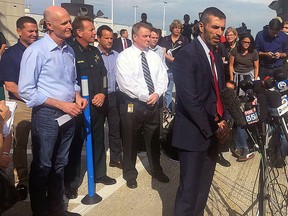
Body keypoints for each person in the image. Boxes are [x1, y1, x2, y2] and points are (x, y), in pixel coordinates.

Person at [18, 6, 87, 216]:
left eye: (69, 21)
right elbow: (27, 91)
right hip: (48, 116)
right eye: (64, 23)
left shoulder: (69, 50)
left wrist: (77, 96)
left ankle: (57, 210)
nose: (69, 26)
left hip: (69, 114)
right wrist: (61, 104)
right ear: (49, 25)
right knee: (42, 166)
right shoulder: (36, 51)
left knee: (60, 164)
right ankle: (40, 212)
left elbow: (71, 82)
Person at [172, 7, 229, 215]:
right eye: (215, 27)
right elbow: (191, 101)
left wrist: (226, 121)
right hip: (193, 135)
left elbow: (220, 93)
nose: (219, 32)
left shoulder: (215, 54)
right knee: (188, 194)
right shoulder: (187, 55)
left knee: (202, 192)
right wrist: (215, 127)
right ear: (201, 26)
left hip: (213, 133)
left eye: (222, 28)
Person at [64, 17, 116, 200]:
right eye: (91, 30)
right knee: (75, 145)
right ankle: (71, 183)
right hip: (78, 106)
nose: (95, 33)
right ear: (79, 32)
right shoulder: (70, 51)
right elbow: (67, 79)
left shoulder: (94, 51)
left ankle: (100, 173)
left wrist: (102, 93)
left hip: (97, 105)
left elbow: (103, 74)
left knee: (98, 140)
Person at [116, 22, 169, 189]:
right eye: (145, 36)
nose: (149, 39)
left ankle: (156, 169)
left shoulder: (153, 56)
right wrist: (146, 96)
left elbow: (163, 77)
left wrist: (157, 93)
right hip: (133, 104)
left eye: (150, 36)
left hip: (153, 103)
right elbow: (125, 83)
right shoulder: (124, 57)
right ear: (135, 37)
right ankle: (130, 173)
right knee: (130, 139)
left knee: (154, 138)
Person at [0, 16, 38, 200]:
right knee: (21, 144)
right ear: (19, 31)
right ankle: (23, 180)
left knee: (43, 142)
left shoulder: (40, 51)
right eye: (30, 31)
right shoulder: (11, 54)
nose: (34, 34)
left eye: (36, 31)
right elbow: (10, 85)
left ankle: (40, 176)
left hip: (42, 104)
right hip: (23, 105)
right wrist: (33, 98)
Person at [229, 33, 259, 162]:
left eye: (248, 42)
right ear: (240, 41)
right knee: (240, 108)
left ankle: (249, 140)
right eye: (244, 42)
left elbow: (257, 67)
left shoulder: (254, 52)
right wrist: (232, 80)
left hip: (249, 77)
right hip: (238, 77)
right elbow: (231, 65)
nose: (246, 44)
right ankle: (241, 143)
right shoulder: (234, 50)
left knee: (250, 107)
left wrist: (255, 80)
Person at [97, 25, 123, 169]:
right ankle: (97, 162)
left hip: (114, 96)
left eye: (111, 38)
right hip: (98, 98)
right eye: (106, 38)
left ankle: (115, 158)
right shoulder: (94, 55)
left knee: (115, 129)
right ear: (98, 38)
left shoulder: (117, 55)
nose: (109, 41)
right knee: (98, 131)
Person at [160, 19, 189, 113]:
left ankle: (179, 111)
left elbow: (187, 54)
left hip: (180, 69)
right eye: (175, 28)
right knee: (168, 91)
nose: (177, 30)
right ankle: (169, 111)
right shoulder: (165, 39)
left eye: (179, 28)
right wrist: (171, 59)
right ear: (171, 28)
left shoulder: (184, 40)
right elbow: (163, 53)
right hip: (168, 68)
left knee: (180, 91)